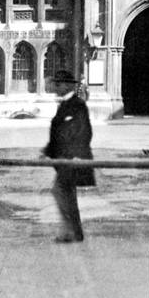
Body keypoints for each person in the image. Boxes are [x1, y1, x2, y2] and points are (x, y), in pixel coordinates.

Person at [42, 68, 95, 243]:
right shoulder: (65, 105)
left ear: (66, 85)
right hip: (64, 160)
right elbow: (59, 132)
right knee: (67, 194)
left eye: (58, 84)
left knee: (60, 191)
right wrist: (47, 151)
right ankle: (74, 232)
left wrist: (76, 156)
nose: (56, 87)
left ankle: (71, 231)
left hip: (73, 159)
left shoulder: (77, 105)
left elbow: (84, 131)